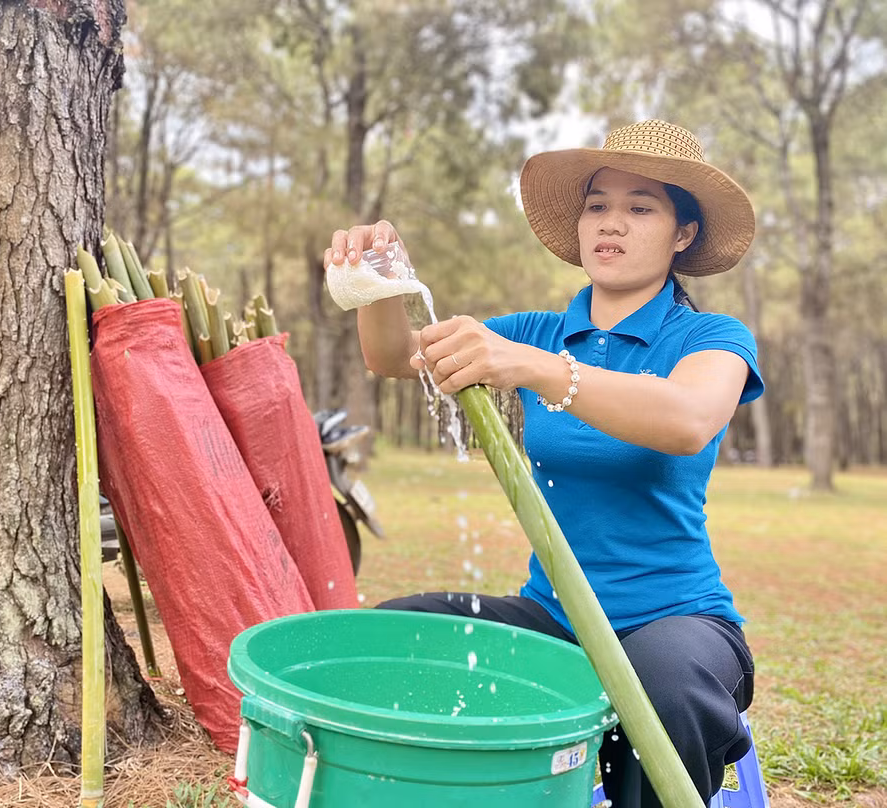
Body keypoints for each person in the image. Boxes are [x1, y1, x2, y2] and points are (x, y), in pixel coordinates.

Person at [323, 119, 763, 808]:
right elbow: (394, 355)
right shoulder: (540, 331)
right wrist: (377, 280)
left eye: (640, 207)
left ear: (683, 233)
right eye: (597, 205)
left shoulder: (710, 337)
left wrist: (540, 369)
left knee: (661, 683)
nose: (611, 222)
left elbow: (687, 420)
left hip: (679, 627)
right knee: (399, 633)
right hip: (553, 619)